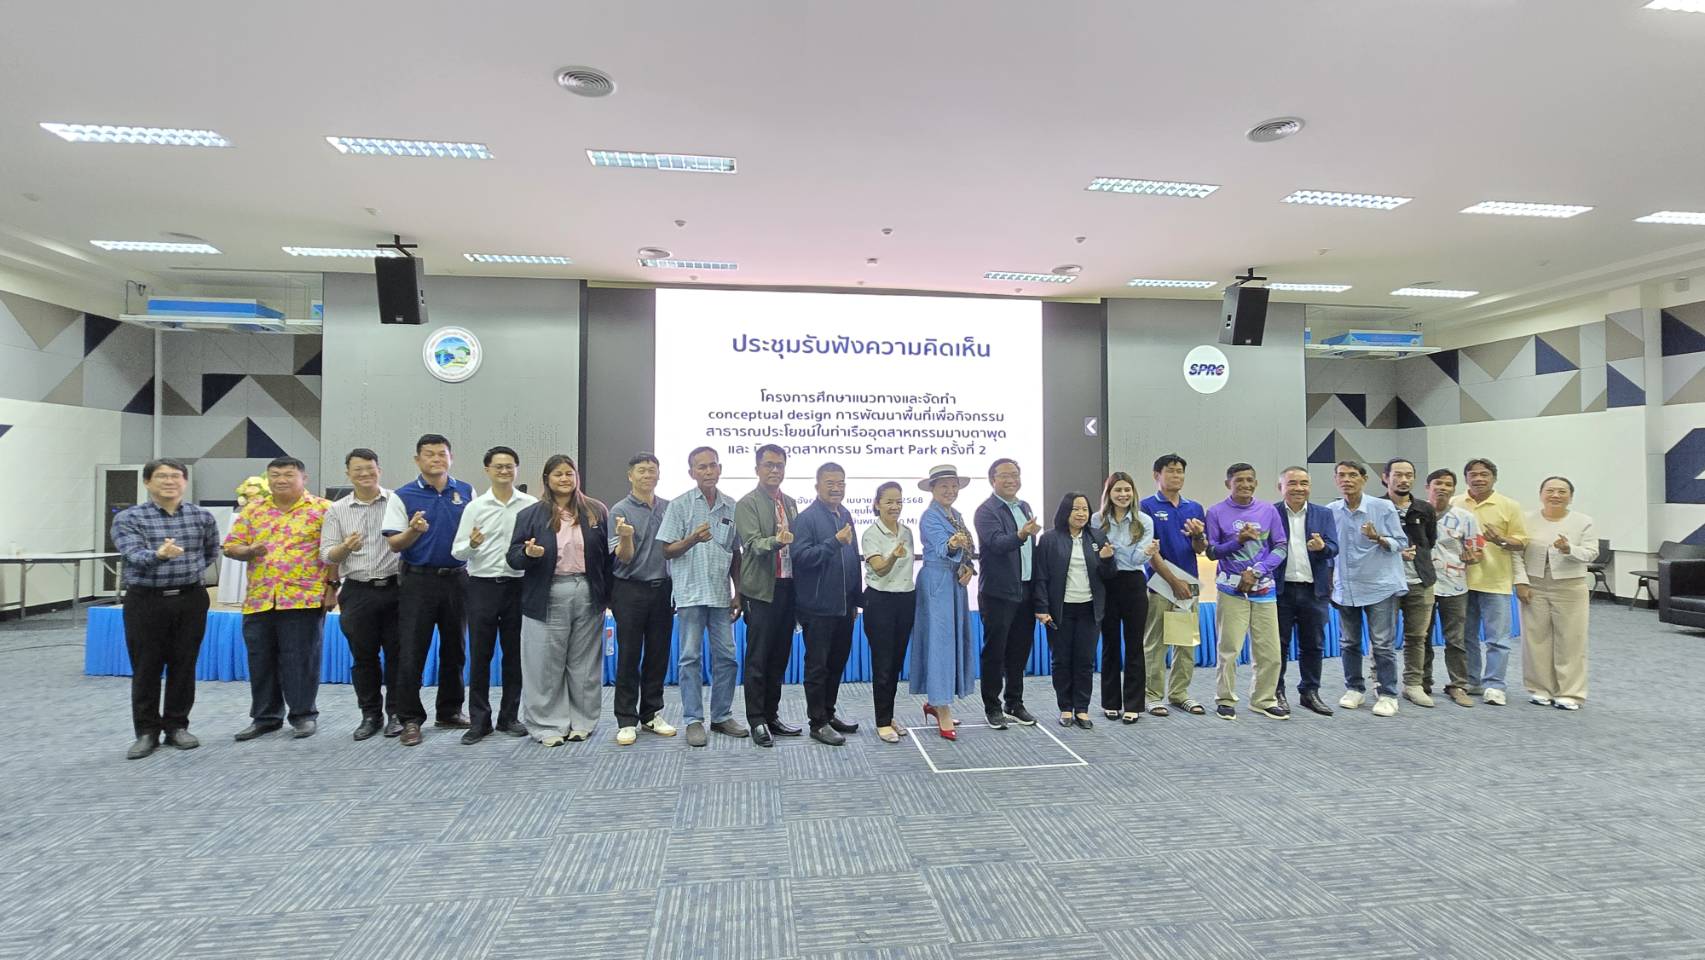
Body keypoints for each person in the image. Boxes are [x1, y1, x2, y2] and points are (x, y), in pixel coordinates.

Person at [111, 458, 221, 759]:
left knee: (184, 664)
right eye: (162, 476)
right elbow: (132, 554)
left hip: (190, 598)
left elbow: (211, 552)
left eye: (176, 476)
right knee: (146, 667)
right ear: (148, 482)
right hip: (146, 600)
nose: (170, 481)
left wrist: (185, 569)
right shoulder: (130, 518)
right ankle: (146, 732)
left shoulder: (202, 516)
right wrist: (159, 555)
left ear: (184, 482)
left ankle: (177, 726)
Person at [224, 456, 335, 740]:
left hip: (304, 596)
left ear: (304, 478)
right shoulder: (253, 509)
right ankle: (265, 717)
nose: (281, 480)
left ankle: (303, 715)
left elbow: (334, 553)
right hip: (260, 597)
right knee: (260, 660)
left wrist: (333, 588)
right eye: (275, 475)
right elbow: (231, 547)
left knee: (301, 659)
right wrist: (249, 551)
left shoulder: (323, 509)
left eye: (288, 474)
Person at [506, 455, 611, 746]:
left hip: (587, 592)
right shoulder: (531, 514)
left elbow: (607, 559)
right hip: (547, 593)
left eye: (569, 473)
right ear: (546, 480)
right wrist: (528, 554)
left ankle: (582, 722)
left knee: (584, 664)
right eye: (557, 474)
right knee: (544, 664)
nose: (564, 479)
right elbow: (513, 557)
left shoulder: (595, 510)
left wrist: (607, 597)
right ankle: (547, 725)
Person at [382, 433, 474, 746]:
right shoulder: (402, 495)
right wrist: (413, 531)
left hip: (458, 579)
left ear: (451, 457)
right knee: (412, 651)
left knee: (455, 649)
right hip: (418, 581)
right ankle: (409, 718)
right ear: (417, 459)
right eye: (429, 454)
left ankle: (450, 710)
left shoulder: (466, 491)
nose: (436, 459)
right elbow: (395, 544)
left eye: (441, 453)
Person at [657, 447, 746, 747]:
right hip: (690, 594)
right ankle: (693, 720)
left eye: (712, 466)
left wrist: (738, 591)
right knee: (689, 659)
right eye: (701, 467)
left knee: (728, 658)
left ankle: (721, 716)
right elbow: (666, 550)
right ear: (691, 472)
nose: (708, 471)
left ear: (720, 469)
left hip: (720, 594)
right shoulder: (679, 505)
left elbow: (735, 552)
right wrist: (693, 538)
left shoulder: (731, 506)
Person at [451, 446, 537, 744]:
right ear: (487, 470)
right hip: (482, 586)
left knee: (514, 655)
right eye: (498, 466)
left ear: (516, 469)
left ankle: (509, 717)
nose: (504, 471)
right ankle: (479, 720)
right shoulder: (475, 507)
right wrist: (473, 545)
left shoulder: (530, 505)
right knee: (480, 655)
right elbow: (457, 551)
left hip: (518, 586)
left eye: (509, 466)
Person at [320, 449, 403, 741]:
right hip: (357, 591)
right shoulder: (336, 509)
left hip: (396, 589)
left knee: (398, 655)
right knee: (363, 656)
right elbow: (327, 554)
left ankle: (397, 714)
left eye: (370, 468)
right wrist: (345, 548)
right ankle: (370, 715)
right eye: (358, 470)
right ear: (348, 474)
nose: (365, 474)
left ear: (379, 470)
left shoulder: (397, 501)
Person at [1205, 464, 1289, 721]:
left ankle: (1263, 700)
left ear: (1256, 483)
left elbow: (1281, 546)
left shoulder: (1268, 510)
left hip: (1264, 589)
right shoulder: (1215, 512)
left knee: (1270, 651)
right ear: (1228, 483)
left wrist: (1258, 570)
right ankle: (1225, 699)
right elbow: (1211, 552)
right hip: (1231, 590)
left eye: (1250, 480)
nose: (1245, 484)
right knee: (1229, 649)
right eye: (1239, 480)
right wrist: (1238, 541)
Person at [1327, 460, 1409, 717]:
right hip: (1346, 586)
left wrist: (1377, 538)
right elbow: (1329, 549)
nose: (1347, 480)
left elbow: (1400, 543)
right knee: (1348, 642)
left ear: (1364, 479)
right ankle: (1354, 688)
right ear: (1335, 480)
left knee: (1382, 644)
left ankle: (1388, 694)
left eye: (1353, 475)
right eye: (1342, 475)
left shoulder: (1382, 507)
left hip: (1379, 585)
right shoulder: (1330, 510)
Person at [607, 452, 678, 746]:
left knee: (658, 654)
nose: (647, 475)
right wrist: (625, 536)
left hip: (663, 589)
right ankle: (626, 719)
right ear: (630, 475)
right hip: (630, 590)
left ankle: (651, 713)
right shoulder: (619, 510)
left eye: (652, 470)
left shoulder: (670, 507)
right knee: (629, 655)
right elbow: (623, 558)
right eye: (641, 470)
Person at [792, 462, 864, 746]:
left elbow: (853, 557)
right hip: (817, 608)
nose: (836, 488)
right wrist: (834, 542)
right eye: (830, 483)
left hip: (844, 607)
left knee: (836, 664)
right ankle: (817, 723)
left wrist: (856, 600)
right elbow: (802, 558)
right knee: (817, 667)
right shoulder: (806, 518)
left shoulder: (845, 514)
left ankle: (829, 713)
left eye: (841, 483)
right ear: (817, 486)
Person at [1512, 477, 1597, 711]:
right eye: (1550, 491)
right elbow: (1516, 553)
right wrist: (1520, 582)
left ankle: (1570, 692)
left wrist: (1569, 549)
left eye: (1562, 491)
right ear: (1541, 494)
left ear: (1571, 496)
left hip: (1570, 586)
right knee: (1535, 638)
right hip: (1534, 584)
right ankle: (1540, 689)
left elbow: (1591, 553)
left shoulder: (1583, 521)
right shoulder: (1525, 519)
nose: (1556, 495)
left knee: (1571, 639)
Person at [1033, 492, 1117, 729]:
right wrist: (1041, 607)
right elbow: (1041, 576)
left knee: (1085, 661)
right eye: (1076, 509)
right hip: (1060, 610)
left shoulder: (1097, 536)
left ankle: (1082, 709)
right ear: (1065, 512)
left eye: (1085, 509)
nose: (1081, 514)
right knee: (1061, 661)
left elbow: (1109, 575)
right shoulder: (1049, 539)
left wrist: (1107, 560)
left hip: (1089, 609)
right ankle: (1065, 708)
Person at [735, 444, 800, 746]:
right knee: (758, 659)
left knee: (779, 656)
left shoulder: (791, 503)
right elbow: (752, 544)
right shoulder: (746, 503)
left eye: (780, 465)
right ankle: (757, 720)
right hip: (761, 590)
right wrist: (777, 540)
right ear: (757, 469)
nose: (775, 470)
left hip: (788, 588)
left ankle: (772, 715)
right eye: (769, 465)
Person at [1452, 457, 1528, 706]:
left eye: (1484, 474)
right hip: (1461, 581)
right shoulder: (1454, 503)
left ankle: (1495, 685)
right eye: (1473, 474)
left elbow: (1521, 542)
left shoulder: (1509, 505)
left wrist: (1500, 540)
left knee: (1497, 639)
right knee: (1466, 636)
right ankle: (1471, 680)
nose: (1478, 479)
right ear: (1466, 478)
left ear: (1494, 478)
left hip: (1496, 581)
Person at [909, 465, 977, 740]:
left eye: (954, 486)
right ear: (933, 489)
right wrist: (953, 544)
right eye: (944, 486)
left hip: (954, 583)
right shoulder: (929, 516)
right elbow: (943, 547)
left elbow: (966, 549)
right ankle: (942, 705)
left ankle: (937, 702)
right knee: (939, 644)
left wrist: (968, 567)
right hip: (936, 583)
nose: (950, 491)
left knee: (952, 643)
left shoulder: (956, 515)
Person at [974, 458, 1042, 729]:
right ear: (993, 480)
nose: (1011, 480)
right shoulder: (986, 510)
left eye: (1015, 474)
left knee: (1019, 650)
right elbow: (997, 544)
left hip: (1025, 589)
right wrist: (1022, 534)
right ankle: (992, 706)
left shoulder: (1024, 507)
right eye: (1004, 475)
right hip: (998, 593)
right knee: (995, 652)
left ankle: (1014, 702)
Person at [1140, 454, 1209, 716]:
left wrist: (1198, 535)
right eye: (1170, 471)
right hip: (1160, 584)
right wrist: (1173, 581)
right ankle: (1152, 695)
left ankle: (1180, 694)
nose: (1176, 476)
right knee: (1156, 643)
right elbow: (1150, 551)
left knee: (1185, 642)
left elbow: (1200, 548)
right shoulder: (1146, 506)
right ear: (1156, 475)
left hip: (1188, 583)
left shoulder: (1194, 508)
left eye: (1180, 471)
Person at [1272, 466, 1337, 716]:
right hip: (1280, 590)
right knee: (1278, 646)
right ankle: (1276, 692)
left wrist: (1322, 548)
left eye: (1304, 483)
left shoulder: (1324, 513)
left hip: (1314, 590)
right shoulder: (1271, 512)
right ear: (1280, 487)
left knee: (1314, 644)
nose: (1299, 488)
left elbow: (1334, 547)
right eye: (1292, 483)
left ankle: (1310, 692)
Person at [1092, 472, 1155, 723]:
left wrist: (1122, 552)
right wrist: (1120, 553)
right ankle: (1110, 702)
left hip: (1134, 584)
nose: (1123, 494)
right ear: (1109, 494)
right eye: (1117, 490)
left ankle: (1133, 704)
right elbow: (1097, 556)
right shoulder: (1097, 520)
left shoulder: (1144, 521)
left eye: (1127, 490)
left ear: (1133, 492)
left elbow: (1138, 559)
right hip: (1106, 583)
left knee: (1134, 644)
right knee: (1110, 644)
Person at [1381, 458, 1439, 707]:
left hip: (1420, 581)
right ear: (1386, 477)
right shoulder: (1376, 506)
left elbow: (1430, 541)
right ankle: (1381, 683)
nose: (1403, 480)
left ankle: (1413, 685)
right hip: (1385, 583)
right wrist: (1397, 553)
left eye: (1409, 475)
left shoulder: (1425, 509)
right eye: (1398, 475)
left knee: (1417, 637)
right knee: (1382, 639)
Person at [861, 481, 915, 744]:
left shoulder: (907, 531)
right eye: (889, 501)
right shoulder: (870, 533)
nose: (895, 506)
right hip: (879, 601)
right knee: (883, 664)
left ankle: (889, 715)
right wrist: (893, 556)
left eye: (899, 501)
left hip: (905, 600)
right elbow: (880, 568)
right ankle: (882, 722)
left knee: (895, 664)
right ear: (877, 504)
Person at [1426, 468, 1482, 707]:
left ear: (1453, 489)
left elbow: (1477, 551)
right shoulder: (1416, 513)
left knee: (1456, 639)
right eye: (1438, 483)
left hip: (1455, 586)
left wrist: (1473, 556)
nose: (1442, 488)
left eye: (1448, 484)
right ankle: (1421, 684)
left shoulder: (1465, 517)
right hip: (1423, 584)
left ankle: (1459, 685)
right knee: (1420, 637)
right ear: (1428, 487)